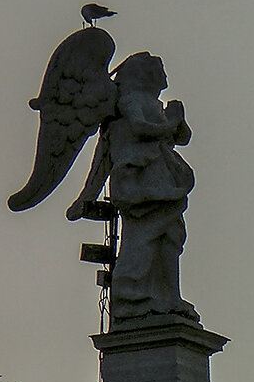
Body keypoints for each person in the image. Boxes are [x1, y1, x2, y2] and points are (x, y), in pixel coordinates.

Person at [69, 52, 198, 322]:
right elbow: (140, 128)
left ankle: (169, 296)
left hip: (161, 177)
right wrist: (170, 123)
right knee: (143, 237)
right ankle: (131, 297)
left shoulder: (154, 103)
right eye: (159, 70)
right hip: (140, 178)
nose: (164, 76)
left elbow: (180, 138)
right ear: (145, 74)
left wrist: (177, 120)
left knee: (171, 236)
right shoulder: (130, 100)